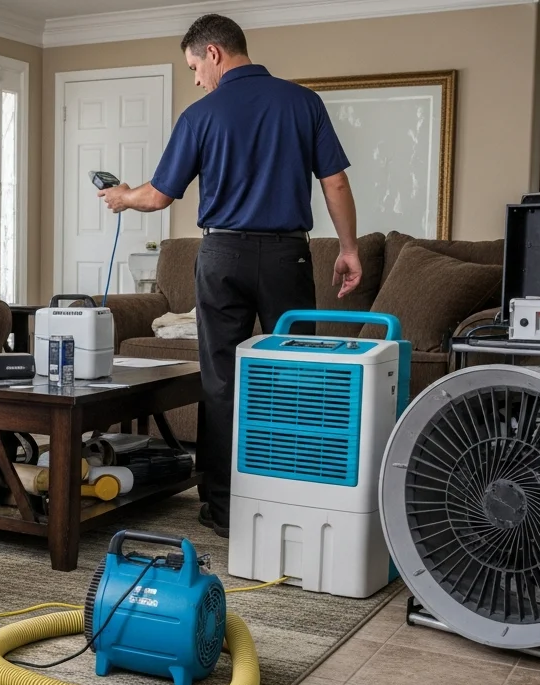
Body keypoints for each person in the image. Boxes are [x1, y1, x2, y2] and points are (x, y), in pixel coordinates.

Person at [99, 14, 361, 538]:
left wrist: (121, 196)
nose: (195, 78)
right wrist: (350, 248)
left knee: (223, 381)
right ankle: (294, 502)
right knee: (296, 378)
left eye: (195, 66)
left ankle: (223, 510)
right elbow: (334, 183)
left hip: (222, 257)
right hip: (289, 256)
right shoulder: (303, 102)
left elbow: (157, 196)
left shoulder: (201, 115)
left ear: (214, 53)